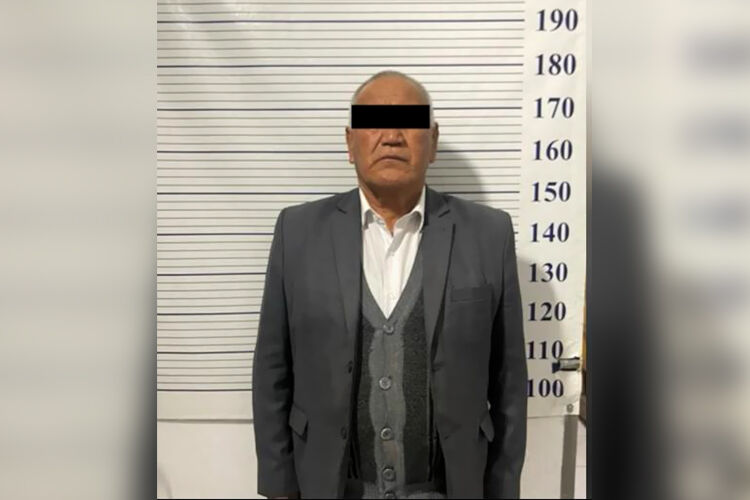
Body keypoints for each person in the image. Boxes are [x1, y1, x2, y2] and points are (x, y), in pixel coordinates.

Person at [252, 71, 527, 499]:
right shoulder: (298, 232)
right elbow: (272, 370)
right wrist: (279, 488)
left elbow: (509, 381)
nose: (392, 137)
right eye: (374, 122)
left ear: (433, 141)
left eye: (409, 123)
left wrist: (502, 489)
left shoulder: (489, 234)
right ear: (350, 143)